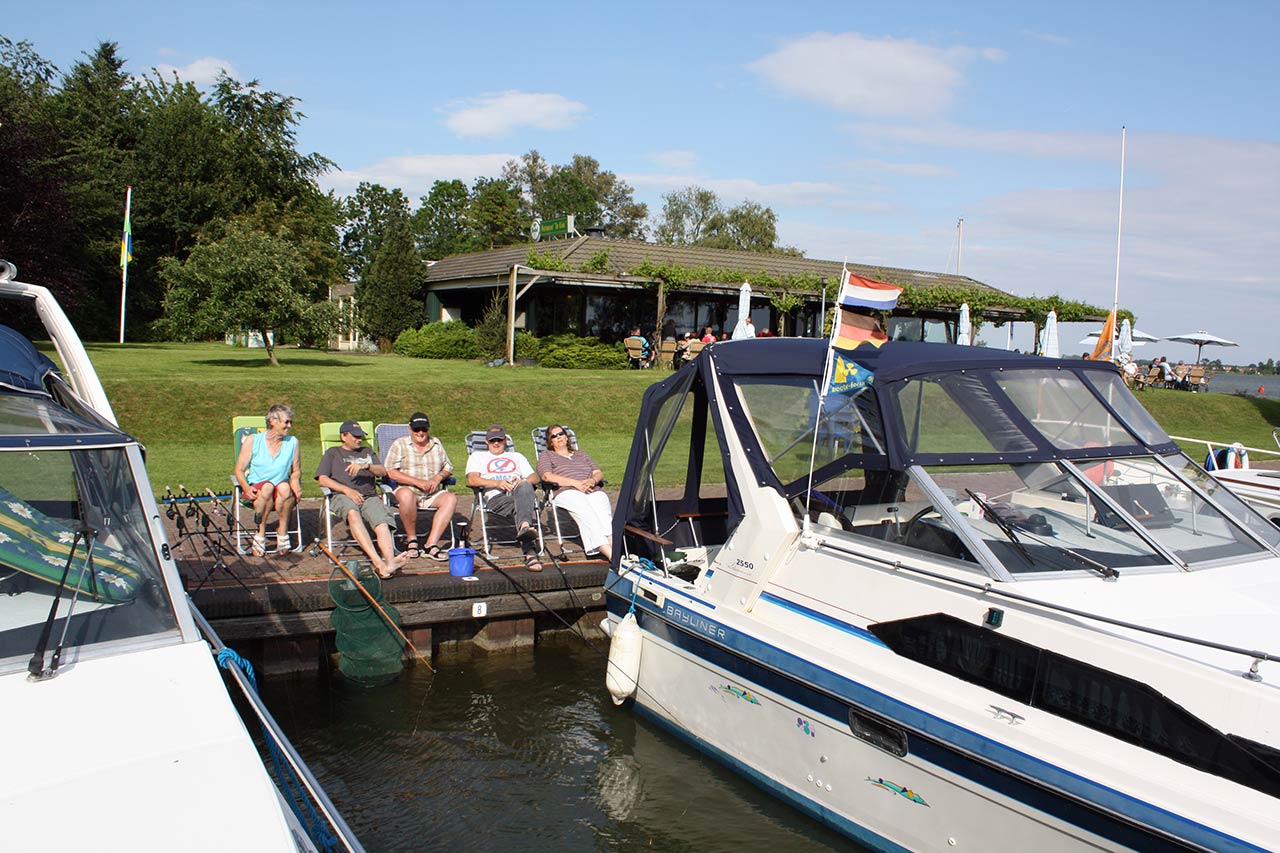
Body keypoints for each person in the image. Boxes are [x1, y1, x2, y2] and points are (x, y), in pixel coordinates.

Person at [316, 420, 407, 579]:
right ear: (343, 436)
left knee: (381, 520)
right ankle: (378, 563)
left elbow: (382, 471)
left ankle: (390, 561)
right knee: (352, 513)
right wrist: (346, 490)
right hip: (342, 495)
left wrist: (367, 466)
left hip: (369, 496)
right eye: (355, 436)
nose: (359, 440)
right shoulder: (333, 453)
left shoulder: (367, 452)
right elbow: (322, 479)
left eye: (361, 436)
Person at [465, 424, 544, 572]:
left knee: (525, 486)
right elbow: (472, 480)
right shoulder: (478, 457)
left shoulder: (517, 456)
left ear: (505, 441)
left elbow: (534, 477)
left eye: (499, 440)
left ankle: (525, 529)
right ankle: (530, 550)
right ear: (486, 441)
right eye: (492, 440)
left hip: (518, 492)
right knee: (523, 505)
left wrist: (520, 481)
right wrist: (498, 483)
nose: (496, 443)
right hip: (496, 497)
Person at [383, 412, 457, 562]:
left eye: (424, 429)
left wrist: (438, 478)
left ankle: (431, 544)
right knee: (406, 494)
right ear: (410, 429)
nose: (421, 433)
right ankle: (412, 540)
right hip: (407, 490)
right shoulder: (399, 444)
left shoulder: (436, 443)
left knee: (451, 498)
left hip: (431, 493)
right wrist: (417, 482)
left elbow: (448, 467)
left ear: (428, 429)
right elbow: (390, 471)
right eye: (417, 429)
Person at [536, 425, 614, 561]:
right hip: (566, 491)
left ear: (566, 436)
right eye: (554, 436)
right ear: (550, 442)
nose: (558, 437)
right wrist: (575, 483)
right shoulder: (547, 455)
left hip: (591, 489)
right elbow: (546, 476)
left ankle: (614, 546)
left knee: (603, 511)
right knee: (586, 511)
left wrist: (592, 480)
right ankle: (611, 554)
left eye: (561, 434)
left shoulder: (581, 454)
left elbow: (598, 472)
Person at [233, 404, 302, 556]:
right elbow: (239, 470)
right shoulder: (253, 440)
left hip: (281, 490)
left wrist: (296, 482)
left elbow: (296, 470)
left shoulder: (292, 442)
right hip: (257, 489)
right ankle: (260, 533)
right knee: (267, 487)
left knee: (285, 488)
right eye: (286, 422)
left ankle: (282, 531)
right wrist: (245, 487)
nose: (289, 426)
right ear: (272, 421)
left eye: (290, 422)